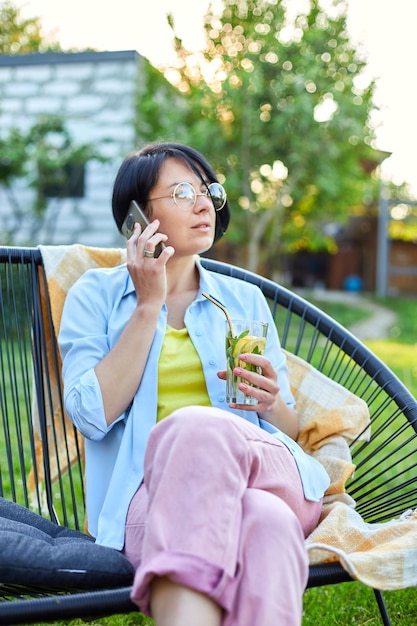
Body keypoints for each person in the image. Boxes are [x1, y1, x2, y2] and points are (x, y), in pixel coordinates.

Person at [58, 141, 330, 626]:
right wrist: (147, 305)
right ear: (137, 216)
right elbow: (90, 418)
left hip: (268, 472)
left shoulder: (243, 299)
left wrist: (269, 402)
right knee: (266, 524)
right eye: (182, 191)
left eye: (207, 191)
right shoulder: (95, 296)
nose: (204, 203)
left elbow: (286, 426)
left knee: (199, 428)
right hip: (151, 500)